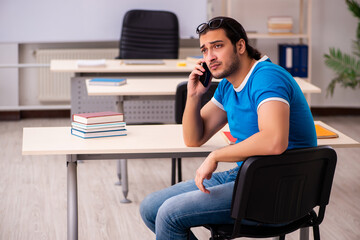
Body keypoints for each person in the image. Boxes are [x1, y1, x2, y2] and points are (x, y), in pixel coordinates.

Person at [140, 16, 317, 240]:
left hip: (280, 187)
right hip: (248, 175)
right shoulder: (227, 86)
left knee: (168, 214)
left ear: (240, 46)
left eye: (217, 46)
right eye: (204, 50)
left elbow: (274, 140)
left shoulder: (267, 77)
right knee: (150, 207)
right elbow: (193, 138)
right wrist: (194, 96)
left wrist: (216, 155)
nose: (209, 57)